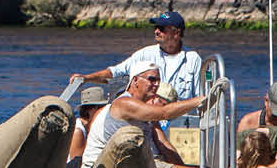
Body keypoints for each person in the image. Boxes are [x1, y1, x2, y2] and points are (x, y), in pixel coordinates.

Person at [76, 64, 207, 168]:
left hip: (134, 164)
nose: (156, 84)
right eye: (151, 79)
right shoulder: (124, 103)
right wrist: (201, 100)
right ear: (135, 80)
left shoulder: (145, 113)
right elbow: (164, 113)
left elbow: (164, 144)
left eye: (158, 81)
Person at [72, 11, 202, 102]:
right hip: (149, 121)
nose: (156, 31)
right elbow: (115, 72)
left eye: (162, 28)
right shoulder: (144, 54)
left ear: (176, 33)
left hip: (182, 124)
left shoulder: (193, 59)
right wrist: (86, 78)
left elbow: (201, 95)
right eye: (156, 27)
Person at [65, 86, 111, 168]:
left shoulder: (90, 127)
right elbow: (77, 164)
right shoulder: (78, 131)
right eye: (102, 107)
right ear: (92, 109)